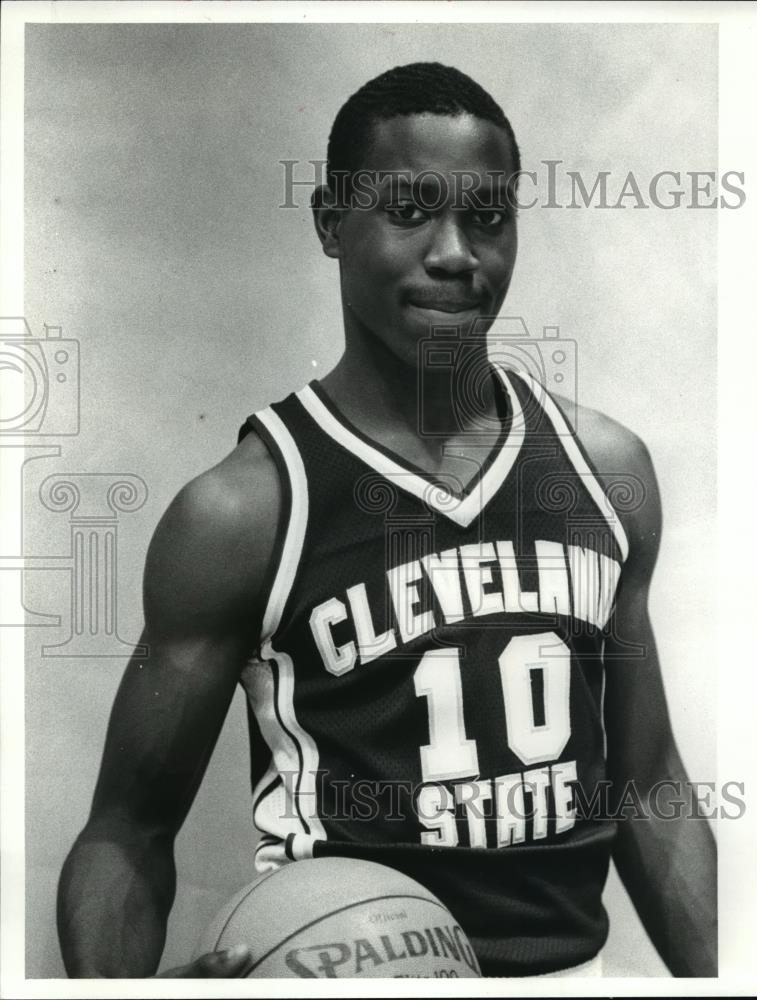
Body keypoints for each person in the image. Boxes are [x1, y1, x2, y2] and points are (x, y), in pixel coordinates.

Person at [56, 62, 717, 979]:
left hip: (568, 977)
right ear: (332, 223)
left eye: (487, 217)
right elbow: (125, 835)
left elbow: (649, 789)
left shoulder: (604, 469)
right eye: (408, 211)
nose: (455, 251)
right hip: (353, 969)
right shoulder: (248, 508)